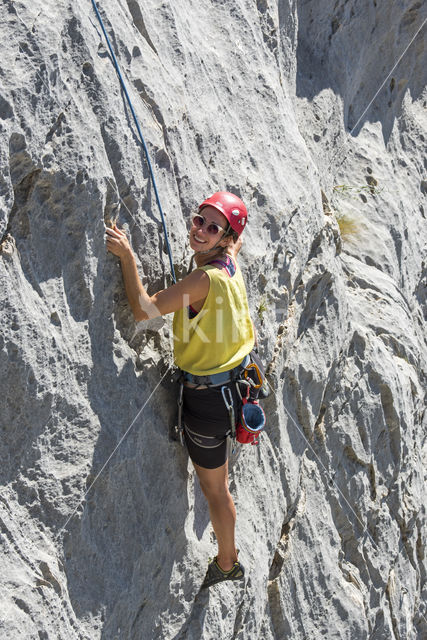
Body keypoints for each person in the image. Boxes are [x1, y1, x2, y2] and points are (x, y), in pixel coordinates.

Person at [105, 191, 254, 588]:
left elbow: (143, 309)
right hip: (232, 387)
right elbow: (240, 239)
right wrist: (232, 230)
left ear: (224, 238)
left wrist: (127, 257)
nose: (199, 231)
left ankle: (227, 563)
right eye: (197, 220)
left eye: (212, 227)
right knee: (218, 485)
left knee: (215, 489)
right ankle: (227, 559)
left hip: (207, 402)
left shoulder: (204, 279)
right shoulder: (229, 263)